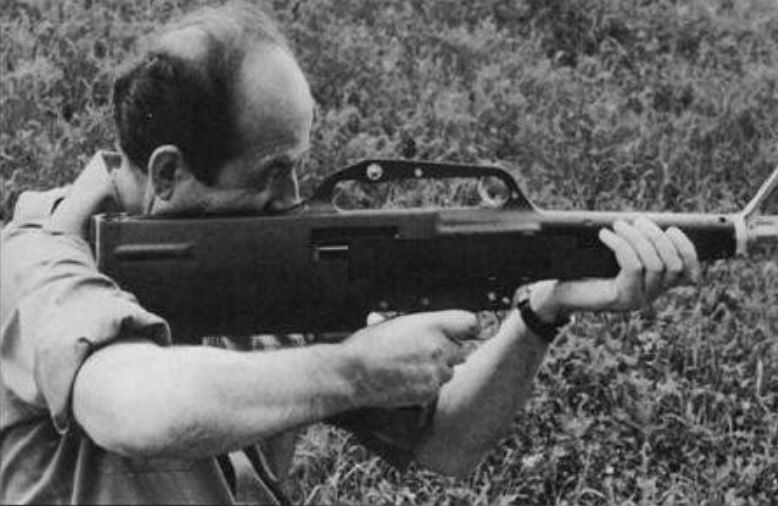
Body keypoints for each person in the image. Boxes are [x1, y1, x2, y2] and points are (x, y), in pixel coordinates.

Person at [0, 3, 700, 504]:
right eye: (272, 173)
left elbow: (448, 442)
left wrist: (542, 311)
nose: (294, 197)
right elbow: (132, 408)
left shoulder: (266, 265)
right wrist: (355, 371)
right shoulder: (35, 265)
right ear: (167, 174)